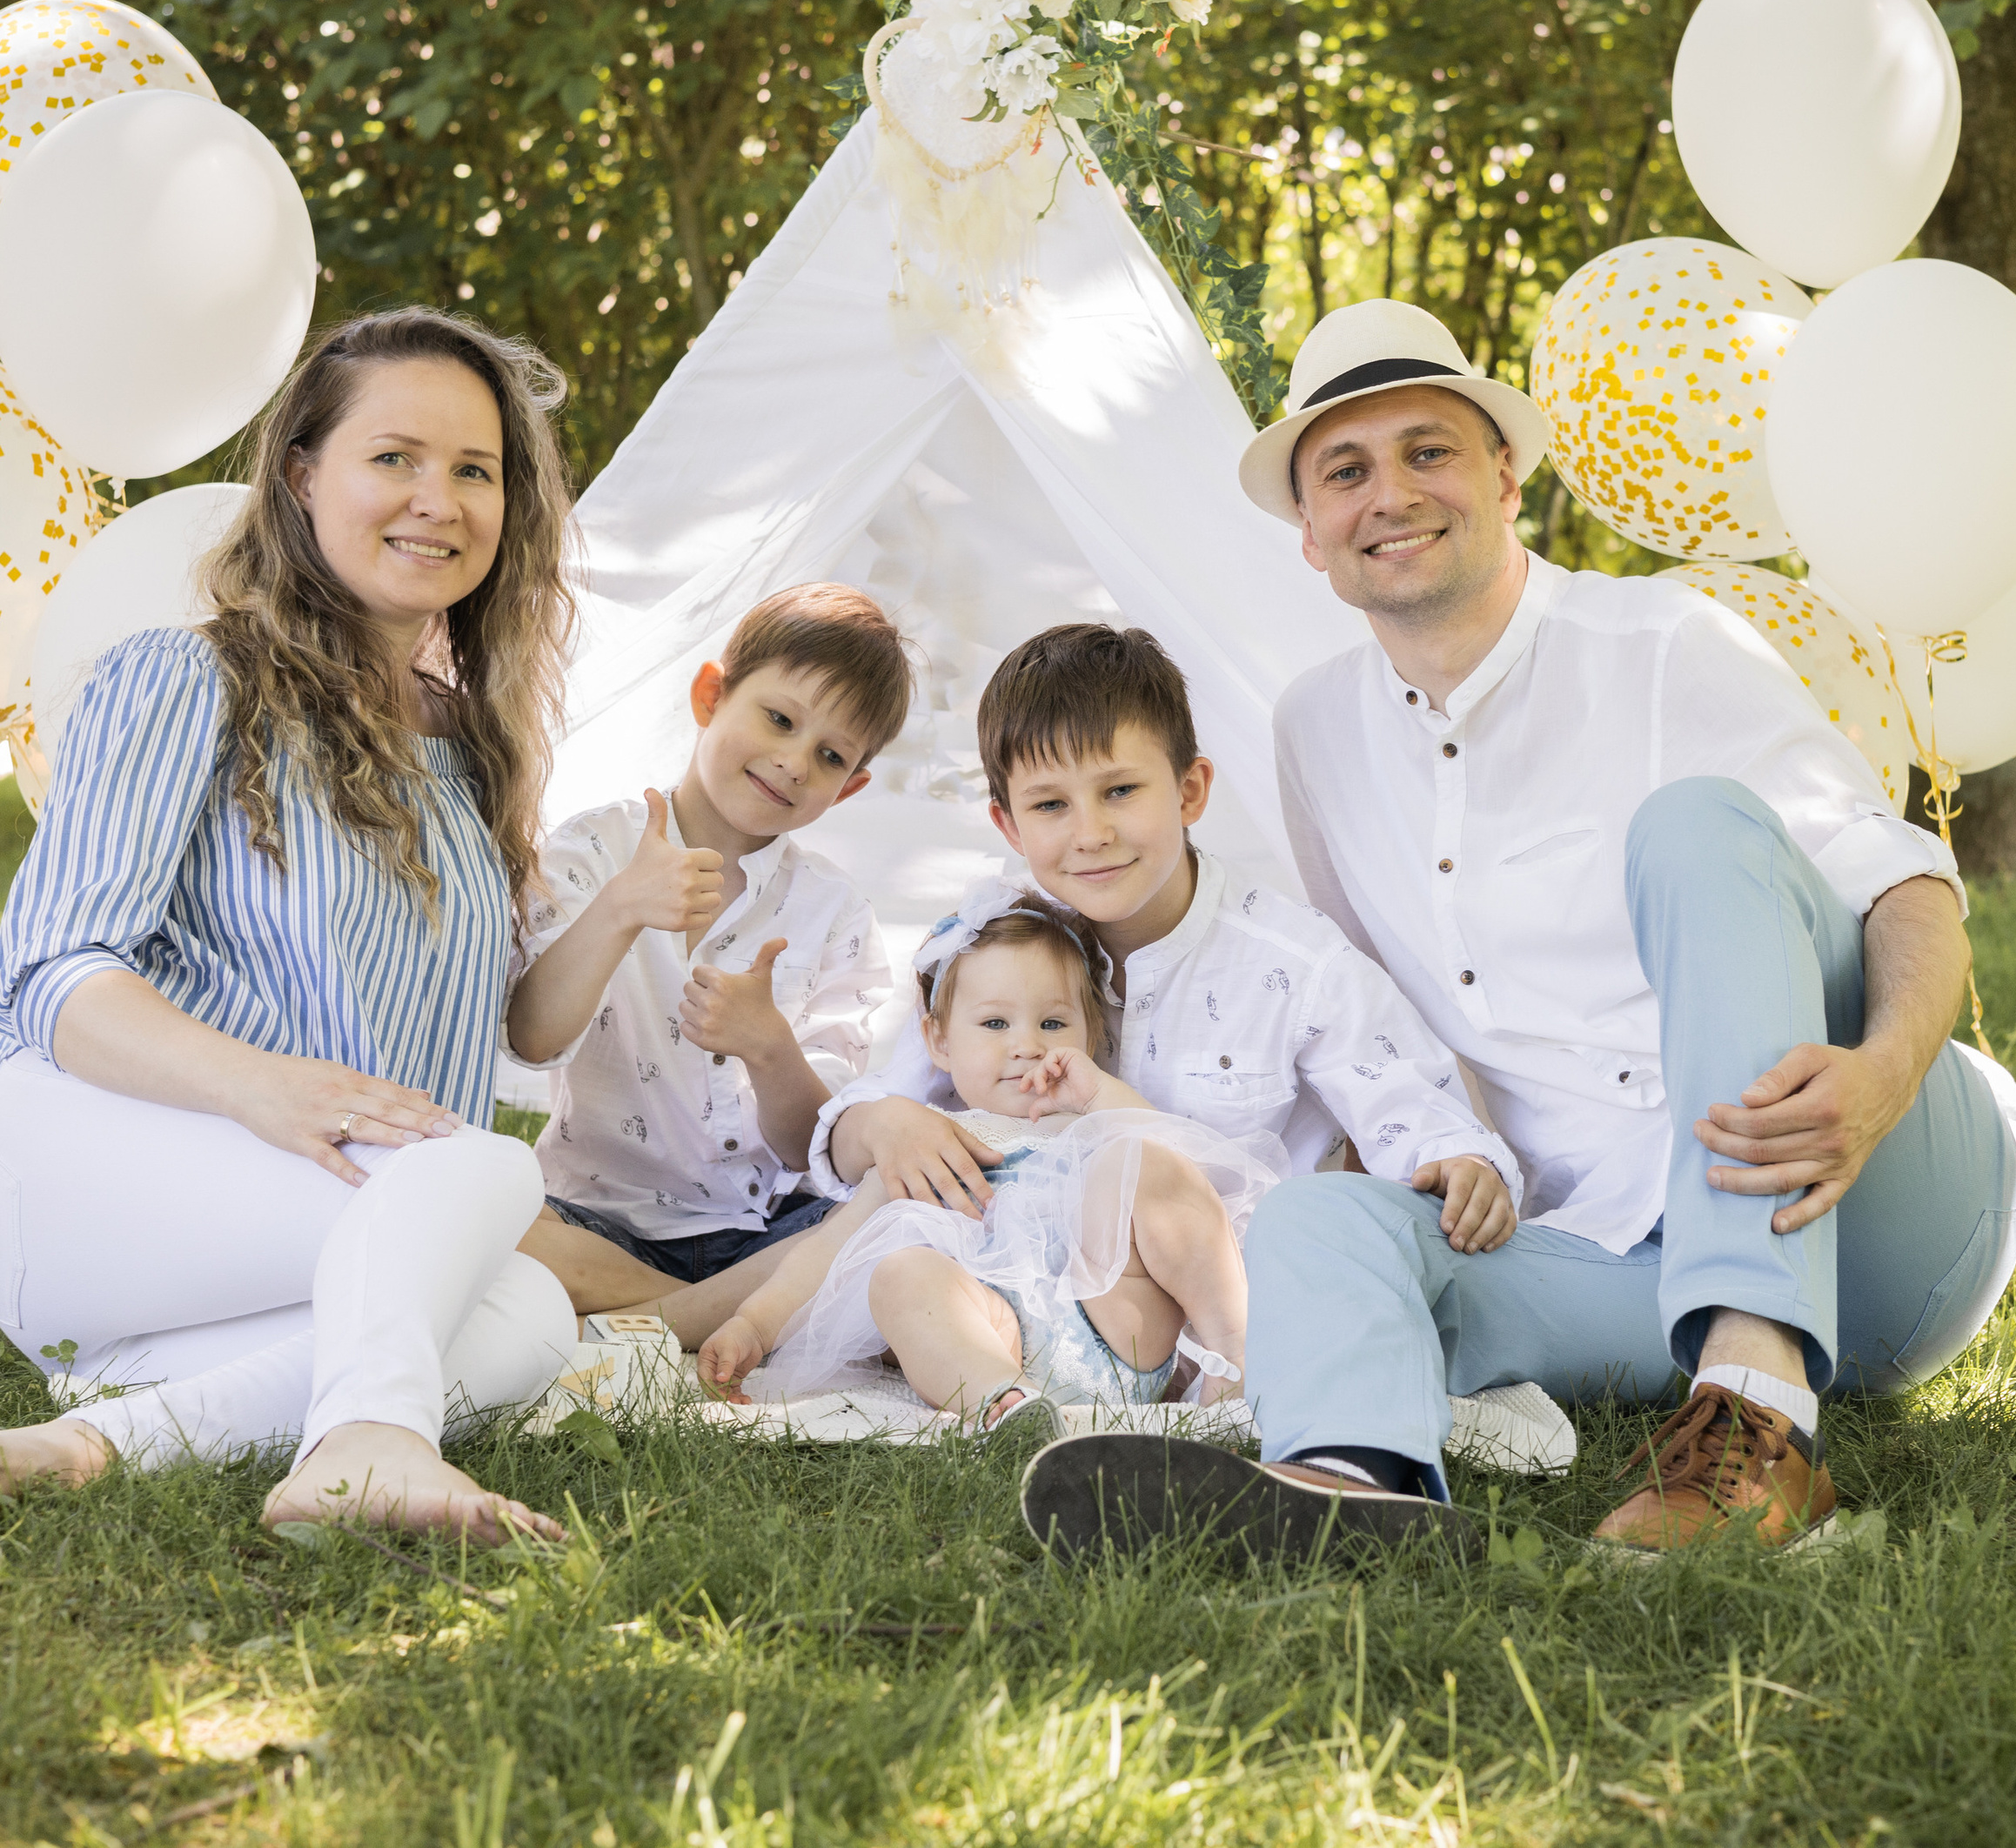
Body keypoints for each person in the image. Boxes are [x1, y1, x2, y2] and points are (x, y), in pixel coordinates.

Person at [1022, 298, 2016, 1561]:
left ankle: (1762, 1416)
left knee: (1698, 827)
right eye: (1346, 470)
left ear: (1504, 475)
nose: (1389, 491)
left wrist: (1883, 1081)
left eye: (1427, 450)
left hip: (1869, 1205)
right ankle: (1352, 1489)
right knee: (1313, 1222)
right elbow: (1370, 1012)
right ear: (1311, 537)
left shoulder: (1665, 645)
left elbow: (1907, 887)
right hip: (1604, 1258)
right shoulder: (1312, 730)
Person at [0, 308, 587, 1543]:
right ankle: (374, 1438)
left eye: (474, 470)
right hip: (89, 1168)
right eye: (395, 457)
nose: (440, 498)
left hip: (281, 1244)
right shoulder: (184, 678)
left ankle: (92, 1439)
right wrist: (262, 1088)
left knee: (527, 1309)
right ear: (302, 474)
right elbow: (55, 977)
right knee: (486, 1169)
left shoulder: (472, 753)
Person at [800, 623, 1524, 1279]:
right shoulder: (995, 940)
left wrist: (1460, 1163)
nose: (1090, 834)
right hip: (1020, 1279)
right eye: (1051, 805)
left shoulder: (1300, 967)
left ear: (1189, 791)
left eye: (1120, 791)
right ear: (1009, 824)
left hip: (1221, 1296)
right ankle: (703, 1317)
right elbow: (875, 1111)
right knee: (868, 1230)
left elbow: (1412, 1112)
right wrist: (881, 1124)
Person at [699, 893, 1276, 1441]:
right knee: (899, 1272)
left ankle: (1239, 1355)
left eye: (1052, 1024)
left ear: (1089, 1034)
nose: (1025, 1045)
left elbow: (1177, 1167)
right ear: (939, 1041)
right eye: (995, 1024)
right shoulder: (931, 1144)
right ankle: (1002, 1401)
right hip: (997, 1337)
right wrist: (753, 1324)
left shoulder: (1091, 1120)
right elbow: (830, 1250)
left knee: (1148, 1160)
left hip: (1117, 1325)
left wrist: (1100, 1095)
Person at [504, 584, 906, 1321]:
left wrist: (771, 1049)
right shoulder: (594, 849)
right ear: (711, 696)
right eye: (779, 719)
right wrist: (621, 909)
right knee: (497, 1230)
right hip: (596, 1219)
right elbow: (531, 1038)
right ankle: (712, 1315)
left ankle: (648, 1322)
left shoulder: (834, 912)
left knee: (888, 1217)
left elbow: (804, 1148)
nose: (791, 763)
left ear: (850, 788)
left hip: (759, 1232)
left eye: (829, 757)